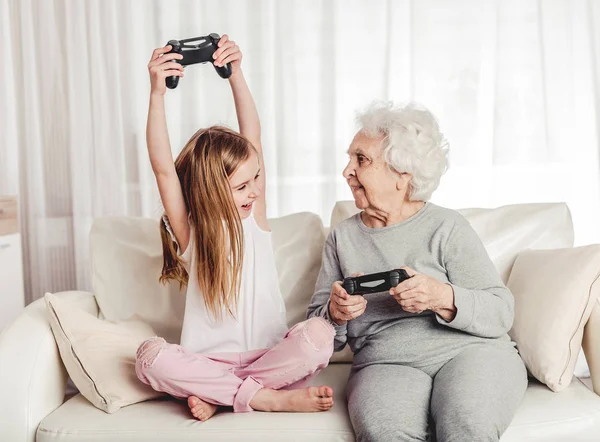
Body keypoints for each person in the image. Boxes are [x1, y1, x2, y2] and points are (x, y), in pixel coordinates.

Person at [135, 35, 335, 422]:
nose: (256, 191)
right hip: (208, 361)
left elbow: (253, 136)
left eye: (256, 179)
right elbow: (163, 167)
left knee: (319, 338)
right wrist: (156, 93)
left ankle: (224, 395)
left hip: (267, 355)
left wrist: (235, 75)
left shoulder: (254, 217)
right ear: (212, 190)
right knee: (149, 358)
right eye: (243, 186)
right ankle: (264, 397)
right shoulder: (193, 233)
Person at [307, 101, 527, 441]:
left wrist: (442, 297)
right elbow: (319, 334)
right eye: (349, 158)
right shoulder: (343, 237)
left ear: (402, 174)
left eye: (361, 160)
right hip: (385, 363)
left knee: (466, 424)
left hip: (471, 353)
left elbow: (501, 311)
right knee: (386, 432)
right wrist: (335, 315)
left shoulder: (447, 226)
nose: (347, 171)